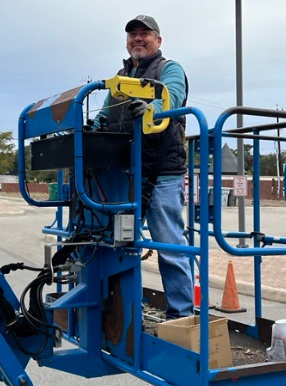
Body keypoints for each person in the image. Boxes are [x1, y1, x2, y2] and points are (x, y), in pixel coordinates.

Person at [94, 15, 192, 319]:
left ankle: (181, 316)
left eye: (145, 34)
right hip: (126, 172)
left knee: (170, 245)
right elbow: (105, 112)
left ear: (158, 41)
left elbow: (170, 97)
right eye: (133, 34)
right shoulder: (121, 77)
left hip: (161, 173)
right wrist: (92, 127)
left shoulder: (169, 69)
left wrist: (152, 108)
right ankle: (122, 311)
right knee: (118, 241)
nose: (138, 38)